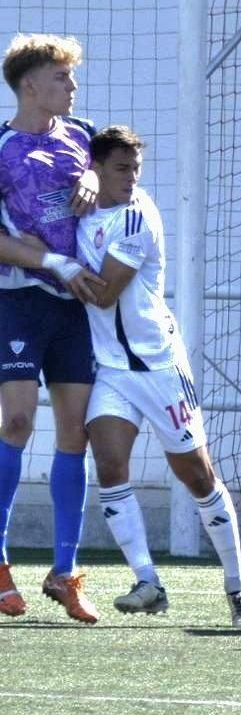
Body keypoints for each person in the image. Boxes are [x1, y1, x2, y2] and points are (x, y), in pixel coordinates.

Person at [73, 127, 241, 627]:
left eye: (136, 168)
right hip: (112, 369)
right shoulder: (79, 208)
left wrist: (51, 270)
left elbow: (106, 292)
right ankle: (148, 581)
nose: (131, 178)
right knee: (110, 466)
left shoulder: (137, 216)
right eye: (120, 168)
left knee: (197, 475)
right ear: (95, 168)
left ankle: (239, 588)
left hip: (159, 366)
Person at [0, 34, 104, 624]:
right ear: (31, 84)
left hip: (78, 307)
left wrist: (96, 178)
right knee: (16, 420)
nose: (72, 86)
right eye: (62, 77)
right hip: (18, 301)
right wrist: (47, 260)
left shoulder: (85, 135)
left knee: (75, 433)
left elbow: (125, 188)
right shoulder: (1, 145)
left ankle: (65, 572)